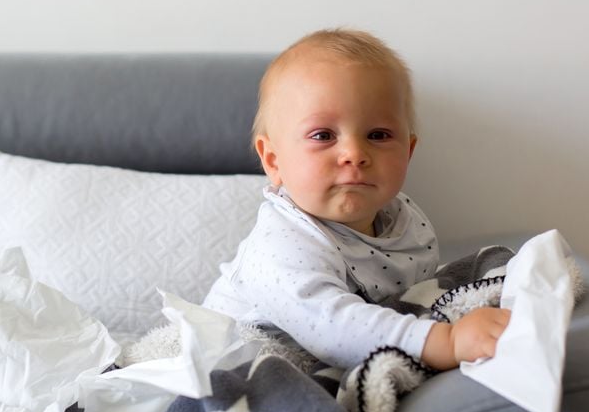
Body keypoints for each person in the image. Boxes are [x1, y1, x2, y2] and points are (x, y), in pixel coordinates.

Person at [203, 28, 510, 370]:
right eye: (323, 135)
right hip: (228, 360)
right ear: (274, 161)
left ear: (408, 151)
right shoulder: (280, 245)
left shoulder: (407, 224)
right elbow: (333, 328)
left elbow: (412, 296)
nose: (354, 153)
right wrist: (445, 341)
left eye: (378, 135)